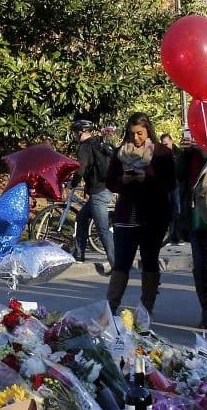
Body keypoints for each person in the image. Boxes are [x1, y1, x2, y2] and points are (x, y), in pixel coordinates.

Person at [106, 112, 178, 317]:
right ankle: (110, 308)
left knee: (149, 260)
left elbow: (170, 183)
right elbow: (110, 182)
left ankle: (146, 310)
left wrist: (147, 176)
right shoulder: (121, 152)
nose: (136, 138)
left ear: (148, 131)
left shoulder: (161, 153)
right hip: (126, 215)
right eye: (132, 134)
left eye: (139, 133)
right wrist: (124, 181)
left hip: (153, 215)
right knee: (121, 262)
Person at [70, 119, 114, 273]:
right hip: (105, 187)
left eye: (75, 132)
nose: (74, 135)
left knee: (102, 229)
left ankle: (117, 265)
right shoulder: (98, 143)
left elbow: (80, 170)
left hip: (98, 191)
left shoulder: (85, 147)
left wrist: (73, 183)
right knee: (81, 218)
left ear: (80, 132)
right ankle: (80, 254)